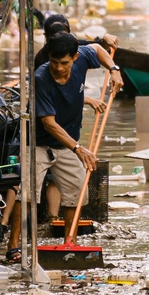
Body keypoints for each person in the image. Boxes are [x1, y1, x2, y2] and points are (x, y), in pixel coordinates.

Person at [34, 30, 121, 229]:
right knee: (27, 196)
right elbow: (49, 124)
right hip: (40, 143)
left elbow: (98, 49)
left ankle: (69, 242)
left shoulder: (82, 58)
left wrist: (114, 70)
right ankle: (14, 246)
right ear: (49, 57)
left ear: (75, 57)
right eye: (54, 62)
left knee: (75, 195)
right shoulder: (41, 78)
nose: (58, 68)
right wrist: (79, 149)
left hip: (69, 142)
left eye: (64, 63)